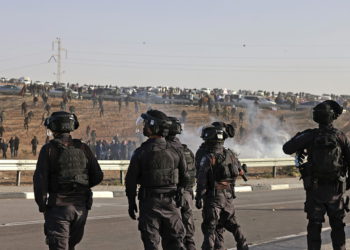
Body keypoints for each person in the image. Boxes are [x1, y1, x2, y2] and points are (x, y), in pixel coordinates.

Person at [283, 100, 350, 250]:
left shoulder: (310, 136)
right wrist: (345, 185)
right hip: (335, 190)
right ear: (332, 117)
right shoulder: (341, 137)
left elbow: (287, 148)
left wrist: (299, 137)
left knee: (314, 226)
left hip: (315, 189)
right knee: (338, 227)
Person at [34, 111, 104, 250]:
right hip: (80, 208)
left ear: (54, 127)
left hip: (59, 207)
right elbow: (97, 175)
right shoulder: (83, 147)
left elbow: (40, 180)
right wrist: (81, 185)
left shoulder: (48, 149)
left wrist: (42, 205)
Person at [125, 109, 189, 250]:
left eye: (146, 124)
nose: (143, 127)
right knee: (175, 243)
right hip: (171, 203)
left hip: (149, 204)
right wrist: (181, 192)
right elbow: (185, 178)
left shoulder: (141, 152)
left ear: (154, 126)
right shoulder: (176, 151)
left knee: (151, 244)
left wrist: (131, 202)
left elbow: (130, 181)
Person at [195, 122, 249, 250]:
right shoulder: (230, 154)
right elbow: (241, 171)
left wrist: (198, 196)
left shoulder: (207, 156)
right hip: (228, 197)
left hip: (213, 197)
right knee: (230, 224)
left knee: (210, 228)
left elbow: (201, 179)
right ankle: (243, 245)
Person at [166, 117, 196, 250]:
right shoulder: (186, 150)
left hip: (172, 195)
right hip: (187, 194)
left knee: (173, 234)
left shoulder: (166, 150)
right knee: (188, 234)